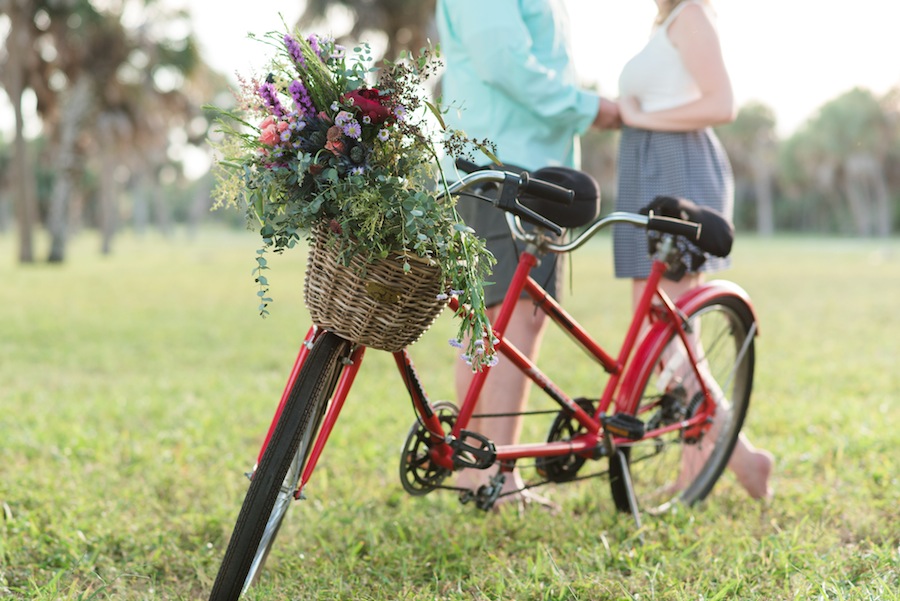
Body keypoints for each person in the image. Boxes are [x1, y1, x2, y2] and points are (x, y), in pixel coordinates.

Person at [434, 0, 620, 510]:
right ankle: (494, 475)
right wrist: (591, 107)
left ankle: (481, 472)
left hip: (518, 165)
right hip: (505, 166)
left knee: (499, 318)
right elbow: (505, 62)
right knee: (508, 317)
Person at [614, 0, 774, 499]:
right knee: (670, 335)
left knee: (672, 331)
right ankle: (738, 459)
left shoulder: (692, 15)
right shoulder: (668, 20)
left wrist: (641, 115)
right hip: (651, 167)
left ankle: (721, 461)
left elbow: (721, 103)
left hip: (677, 168)